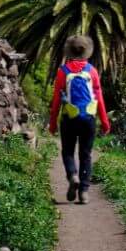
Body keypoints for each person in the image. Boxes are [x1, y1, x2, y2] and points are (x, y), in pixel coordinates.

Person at [47, 34, 110, 204]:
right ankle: (83, 192)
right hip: (88, 118)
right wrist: (105, 122)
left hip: (69, 117)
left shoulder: (63, 72)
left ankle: (72, 175)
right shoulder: (92, 71)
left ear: (69, 52)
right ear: (86, 52)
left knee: (68, 151)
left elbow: (56, 100)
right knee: (86, 154)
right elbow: (99, 98)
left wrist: (52, 123)